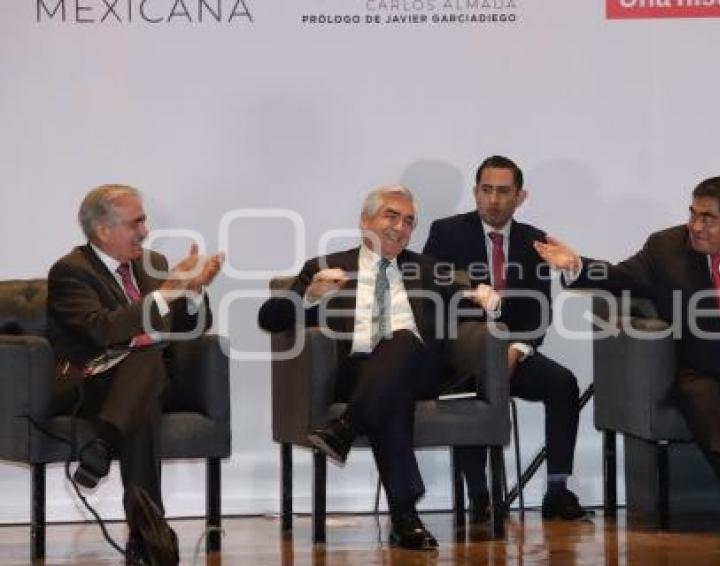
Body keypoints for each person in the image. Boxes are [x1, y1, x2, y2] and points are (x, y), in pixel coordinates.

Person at [534, 175, 720, 511]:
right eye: (693, 214)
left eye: (708, 218)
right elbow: (620, 276)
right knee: (699, 398)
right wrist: (577, 266)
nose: (695, 226)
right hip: (699, 366)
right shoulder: (666, 248)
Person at [258, 185, 500, 550]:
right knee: (389, 396)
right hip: (355, 373)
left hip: (419, 370)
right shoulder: (325, 267)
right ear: (364, 220)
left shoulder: (429, 270)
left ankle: (347, 426)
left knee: (402, 337)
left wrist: (488, 299)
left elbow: (472, 304)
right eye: (391, 216)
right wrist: (308, 297)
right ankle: (404, 518)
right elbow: (270, 319)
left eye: (409, 222)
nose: (400, 228)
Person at [47, 184, 223, 562]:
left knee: (147, 365)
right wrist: (166, 294)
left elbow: (192, 327)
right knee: (144, 375)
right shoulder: (71, 271)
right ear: (102, 230)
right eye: (136, 223)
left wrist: (193, 292)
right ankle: (147, 539)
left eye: (144, 221)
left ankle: (103, 445)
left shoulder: (152, 263)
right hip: (96, 383)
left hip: (155, 379)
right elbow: (102, 330)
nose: (145, 231)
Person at [423, 156, 588, 523]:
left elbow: (539, 310)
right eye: (486, 190)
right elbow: (432, 296)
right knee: (469, 391)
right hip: (464, 352)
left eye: (503, 192)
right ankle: (479, 495)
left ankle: (557, 490)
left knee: (563, 384)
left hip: (513, 350)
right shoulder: (447, 232)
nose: (493, 200)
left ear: (520, 196)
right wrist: (478, 346)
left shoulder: (534, 241)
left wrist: (516, 349)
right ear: (475, 192)